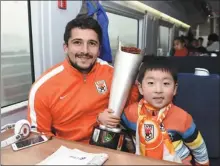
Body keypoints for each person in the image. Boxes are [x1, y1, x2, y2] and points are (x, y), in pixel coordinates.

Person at [27, 17, 138, 143]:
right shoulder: (43, 87)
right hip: (66, 151)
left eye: (92, 43)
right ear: (66, 47)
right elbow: (39, 136)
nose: (85, 51)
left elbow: (133, 104)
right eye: (77, 42)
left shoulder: (112, 74)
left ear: (99, 49)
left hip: (107, 145)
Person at [121, 57, 209, 165]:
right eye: (151, 83)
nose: (158, 90)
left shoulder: (182, 118)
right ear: (140, 88)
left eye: (166, 84)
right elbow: (117, 129)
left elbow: (199, 148)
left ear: (175, 89)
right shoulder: (130, 113)